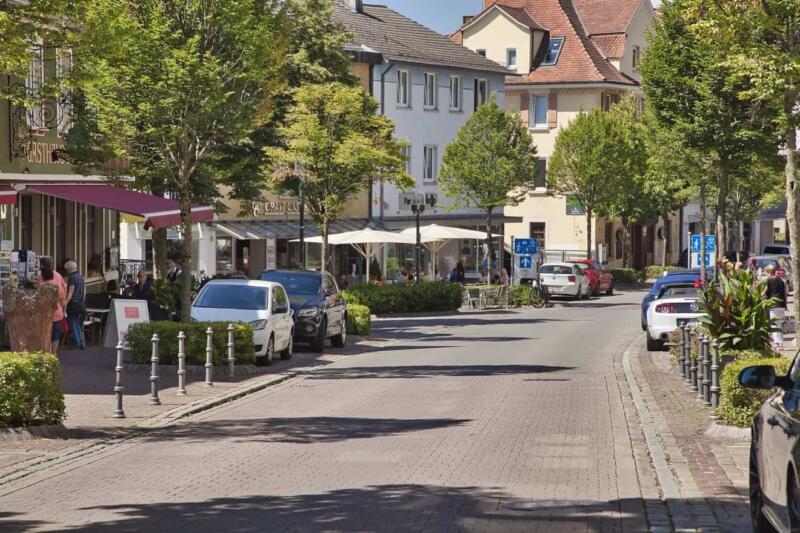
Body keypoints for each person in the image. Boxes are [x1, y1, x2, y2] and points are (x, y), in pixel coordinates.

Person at [38, 258, 66, 353]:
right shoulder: (58, 276)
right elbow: (63, 294)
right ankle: (54, 353)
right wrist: (63, 307)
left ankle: (47, 352)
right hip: (57, 311)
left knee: (46, 334)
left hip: (44, 313)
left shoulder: (40, 278)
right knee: (55, 335)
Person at [764, 264, 787, 350]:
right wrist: (785, 305)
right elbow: (784, 294)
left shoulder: (769, 280)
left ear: (768, 272)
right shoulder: (781, 281)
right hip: (781, 305)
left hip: (773, 305)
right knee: (779, 324)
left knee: (774, 325)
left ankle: (777, 344)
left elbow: (764, 292)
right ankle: (781, 344)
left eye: (766, 272)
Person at [64, 261, 86, 350]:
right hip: (80, 303)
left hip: (73, 303)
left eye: (67, 269)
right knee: (77, 324)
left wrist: (65, 303)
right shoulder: (81, 277)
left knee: (72, 324)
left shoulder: (72, 278)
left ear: (69, 269)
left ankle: (77, 343)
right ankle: (81, 342)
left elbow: (70, 292)